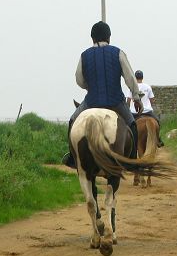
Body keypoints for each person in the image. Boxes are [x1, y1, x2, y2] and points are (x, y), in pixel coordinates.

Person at [61, 21, 143, 169]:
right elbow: (130, 78)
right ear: (109, 37)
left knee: (72, 121)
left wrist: (90, 87)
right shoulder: (118, 52)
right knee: (132, 124)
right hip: (116, 102)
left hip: (92, 102)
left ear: (92, 38)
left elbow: (79, 79)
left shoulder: (84, 55)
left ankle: (73, 157)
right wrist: (136, 98)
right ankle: (132, 160)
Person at [126, 70, 164, 147]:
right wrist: (149, 105)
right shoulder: (147, 87)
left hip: (135, 112)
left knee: (127, 125)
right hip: (147, 111)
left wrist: (128, 109)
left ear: (135, 77)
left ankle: (129, 141)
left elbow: (128, 100)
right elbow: (152, 100)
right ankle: (158, 139)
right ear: (142, 77)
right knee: (157, 122)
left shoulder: (132, 87)